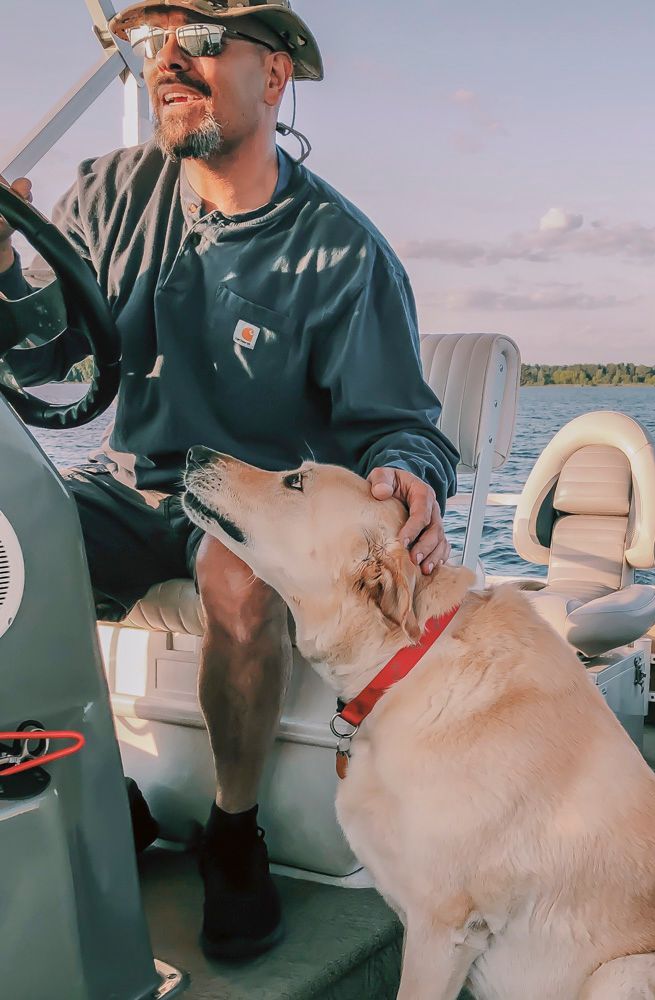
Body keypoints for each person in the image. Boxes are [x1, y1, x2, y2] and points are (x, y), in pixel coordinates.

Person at [0, 0, 457, 961]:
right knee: (9, 551)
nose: (171, 61)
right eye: (157, 39)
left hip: (258, 508)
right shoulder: (110, 195)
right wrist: (2, 267)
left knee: (239, 586)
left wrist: (407, 475)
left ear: (274, 73)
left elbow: (401, 427)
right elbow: (54, 368)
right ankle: (101, 797)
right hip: (130, 489)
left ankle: (234, 830)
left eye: (203, 38)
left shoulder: (341, 252)